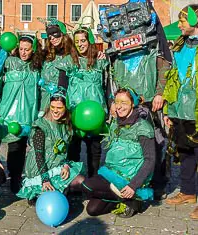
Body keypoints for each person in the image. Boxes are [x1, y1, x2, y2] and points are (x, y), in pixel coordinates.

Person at [98, 0, 172, 200]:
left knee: (157, 142)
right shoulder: (116, 36)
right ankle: (125, 180)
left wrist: (160, 92)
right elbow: (111, 73)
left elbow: (164, 63)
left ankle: (158, 183)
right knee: (124, 142)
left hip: (149, 103)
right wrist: (112, 100)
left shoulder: (152, 33)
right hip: (124, 103)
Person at [82, 88, 155, 218]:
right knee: (92, 210)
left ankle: (133, 195)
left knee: (87, 185)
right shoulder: (116, 123)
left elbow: (150, 160)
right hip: (113, 172)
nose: (119, 106)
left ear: (133, 104)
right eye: (117, 102)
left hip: (129, 177)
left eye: (124, 103)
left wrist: (133, 185)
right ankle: (127, 200)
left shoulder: (143, 127)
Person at [16, 90, 85, 205]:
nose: (55, 111)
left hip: (57, 165)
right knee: (51, 199)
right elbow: (38, 155)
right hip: (40, 169)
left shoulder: (65, 125)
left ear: (65, 108)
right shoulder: (41, 126)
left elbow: (63, 151)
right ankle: (37, 193)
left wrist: (66, 165)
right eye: (53, 107)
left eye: (59, 108)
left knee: (81, 181)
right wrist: (45, 180)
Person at [163, 4, 198, 220]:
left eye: (183, 21)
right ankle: (187, 192)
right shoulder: (180, 45)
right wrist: (169, 108)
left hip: (196, 109)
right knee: (185, 151)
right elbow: (172, 78)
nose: (179, 25)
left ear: (195, 21)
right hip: (180, 109)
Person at [0, 34, 43, 194]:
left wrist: (41, 110)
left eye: (27, 49)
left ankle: (24, 177)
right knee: (14, 146)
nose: (23, 53)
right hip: (11, 113)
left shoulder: (37, 66)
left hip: (29, 113)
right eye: (21, 49)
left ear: (33, 50)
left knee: (24, 146)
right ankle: (13, 178)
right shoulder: (9, 62)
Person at [66, 27, 109, 177]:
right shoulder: (69, 61)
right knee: (73, 150)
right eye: (77, 41)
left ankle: (93, 182)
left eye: (83, 40)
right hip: (75, 112)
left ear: (90, 41)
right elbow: (62, 84)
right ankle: (73, 183)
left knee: (95, 150)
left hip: (95, 114)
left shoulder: (100, 61)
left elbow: (107, 86)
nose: (80, 44)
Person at [39, 19, 79, 116]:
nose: (52, 38)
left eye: (55, 34)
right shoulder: (46, 54)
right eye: (49, 36)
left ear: (62, 34)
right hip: (45, 98)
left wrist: (99, 54)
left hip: (63, 100)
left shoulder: (72, 54)